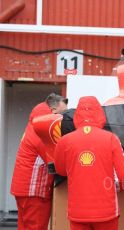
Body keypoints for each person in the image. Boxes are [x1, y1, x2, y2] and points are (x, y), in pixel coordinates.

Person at [53, 96, 124, 230]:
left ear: (77, 115)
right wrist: (115, 189)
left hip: (78, 211)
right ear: (99, 114)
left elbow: (60, 170)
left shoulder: (65, 141)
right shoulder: (111, 139)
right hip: (106, 211)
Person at [10, 93, 68, 230]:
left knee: (24, 226)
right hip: (34, 191)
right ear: (53, 111)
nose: (63, 118)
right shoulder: (43, 130)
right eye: (63, 113)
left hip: (24, 189)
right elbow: (57, 162)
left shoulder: (35, 124)